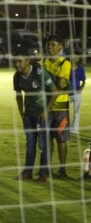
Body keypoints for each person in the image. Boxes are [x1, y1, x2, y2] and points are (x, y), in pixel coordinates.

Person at [13, 51, 57, 182]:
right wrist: (22, 112)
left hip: (42, 115)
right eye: (15, 62)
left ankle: (43, 173)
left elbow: (55, 91)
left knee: (43, 144)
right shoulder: (17, 76)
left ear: (27, 62)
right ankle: (28, 172)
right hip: (29, 115)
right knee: (30, 144)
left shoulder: (39, 72)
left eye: (19, 61)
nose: (17, 65)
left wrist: (46, 110)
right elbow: (18, 95)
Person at [42, 35, 71, 178]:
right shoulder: (43, 63)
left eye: (53, 44)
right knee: (47, 140)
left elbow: (61, 84)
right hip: (46, 108)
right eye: (48, 44)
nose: (50, 47)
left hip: (60, 109)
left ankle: (62, 170)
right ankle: (48, 168)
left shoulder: (65, 63)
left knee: (61, 139)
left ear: (60, 47)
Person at [69, 50, 86, 134]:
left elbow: (83, 81)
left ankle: (74, 129)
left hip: (76, 94)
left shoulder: (80, 69)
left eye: (77, 57)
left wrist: (81, 88)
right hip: (65, 94)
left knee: (76, 112)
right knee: (63, 112)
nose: (74, 58)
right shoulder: (66, 66)